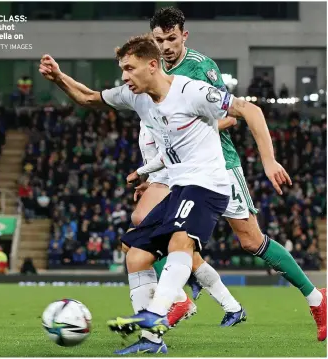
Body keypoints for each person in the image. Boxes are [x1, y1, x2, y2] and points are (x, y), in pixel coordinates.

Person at [39, 34, 291, 354]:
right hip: (178, 185)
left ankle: (155, 313)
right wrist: (59, 77)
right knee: (135, 253)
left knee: (179, 242)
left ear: (153, 65)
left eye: (130, 69)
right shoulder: (137, 96)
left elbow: (250, 110)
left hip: (208, 184)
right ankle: (151, 341)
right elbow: (88, 98)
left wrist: (269, 162)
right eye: (122, 70)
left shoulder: (191, 91)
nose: (124, 77)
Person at [149, 6, 326, 340]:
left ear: (183, 36)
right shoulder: (152, 69)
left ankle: (317, 298)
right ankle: (179, 300)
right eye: (159, 40)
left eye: (171, 39)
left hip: (218, 165)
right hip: (180, 168)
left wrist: (268, 161)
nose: (165, 46)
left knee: (251, 240)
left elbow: (233, 115)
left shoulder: (201, 68)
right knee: (153, 229)